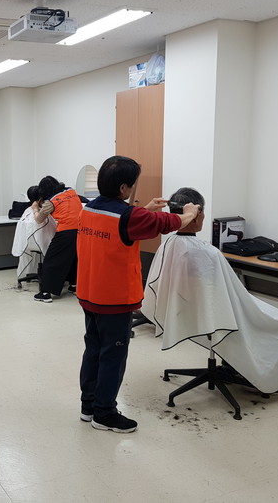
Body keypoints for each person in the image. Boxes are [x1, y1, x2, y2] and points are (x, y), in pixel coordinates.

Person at [141, 187, 278, 393]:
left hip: (189, 310)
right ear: (197, 214)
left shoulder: (167, 245)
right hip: (214, 314)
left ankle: (235, 366)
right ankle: (260, 374)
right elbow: (234, 296)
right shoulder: (209, 253)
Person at [76, 156, 199, 433]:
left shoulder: (88, 209)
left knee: (94, 350)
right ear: (123, 188)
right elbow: (168, 223)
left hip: (89, 294)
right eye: (132, 184)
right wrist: (190, 213)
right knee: (113, 357)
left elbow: (122, 224)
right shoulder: (128, 217)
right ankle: (104, 414)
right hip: (114, 300)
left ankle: (89, 406)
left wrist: (145, 209)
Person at [32, 176, 83, 302]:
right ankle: (74, 285)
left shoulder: (51, 202)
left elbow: (39, 220)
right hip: (81, 230)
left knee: (51, 260)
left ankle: (45, 293)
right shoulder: (71, 191)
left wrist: (35, 209)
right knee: (73, 258)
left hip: (66, 231)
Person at [11, 185, 57, 281]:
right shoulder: (41, 213)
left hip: (28, 245)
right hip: (41, 244)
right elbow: (48, 230)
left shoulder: (27, 211)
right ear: (40, 199)